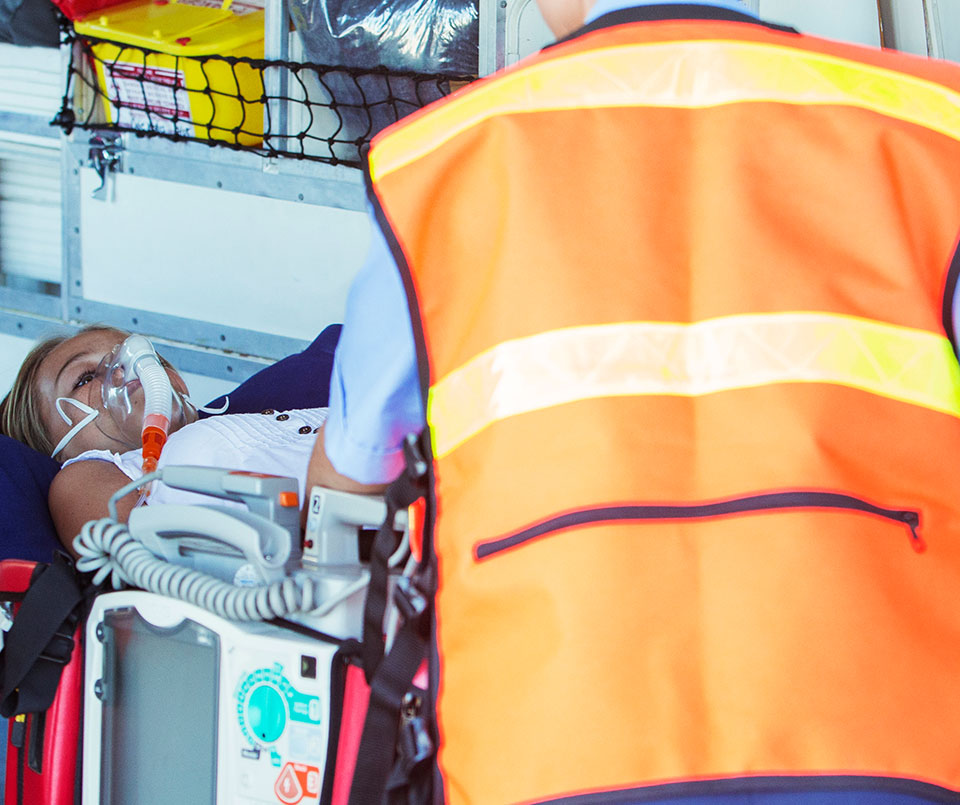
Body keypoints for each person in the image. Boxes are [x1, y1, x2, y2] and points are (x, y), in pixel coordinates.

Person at [306, 0, 960, 803]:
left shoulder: (440, 168)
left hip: (544, 760)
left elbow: (348, 485)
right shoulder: (932, 133)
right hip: (889, 756)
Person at [1, 326, 329, 549]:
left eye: (147, 359)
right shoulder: (85, 478)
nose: (126, 370)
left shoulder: (246, 418)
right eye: (85, 378)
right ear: (56, 448)